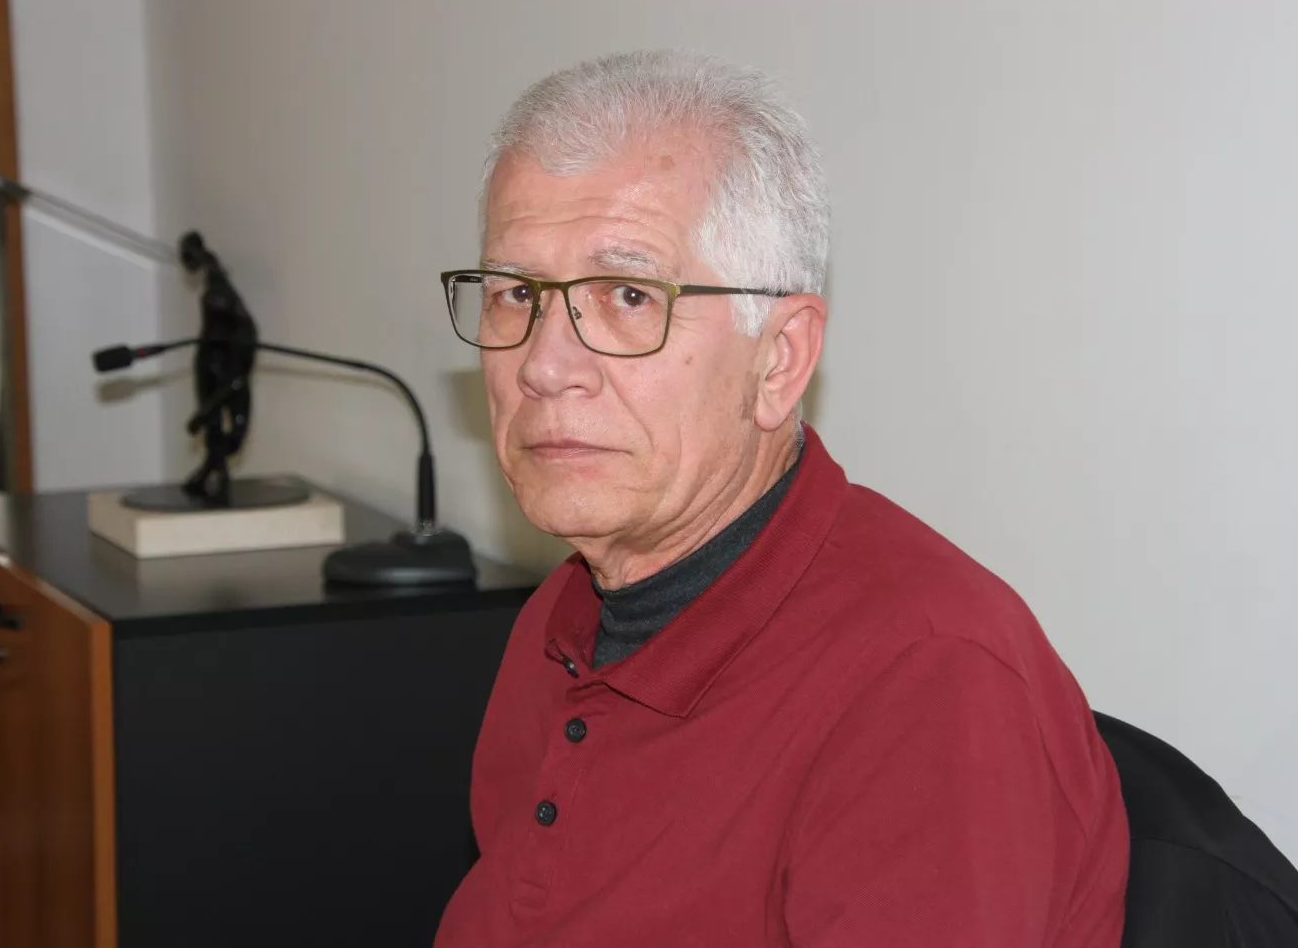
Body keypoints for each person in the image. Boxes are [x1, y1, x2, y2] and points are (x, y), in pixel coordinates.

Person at [433, 49, 1129, 947]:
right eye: (515, 293)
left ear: (782, 359)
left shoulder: (927, 681)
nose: (543, 365)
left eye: (628, 296)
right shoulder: (560, 617)